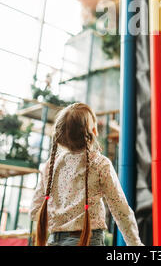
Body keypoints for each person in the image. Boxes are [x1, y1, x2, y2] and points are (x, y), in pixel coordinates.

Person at [30, 102, 143, 246]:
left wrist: (61, 218)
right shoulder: (99, 164)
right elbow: (121, 211)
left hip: (54, 240)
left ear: (60, 136)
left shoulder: (50, 166)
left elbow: (34, 211)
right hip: (88, 240)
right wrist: (135, 244)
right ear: (94, 132)